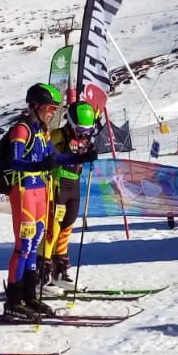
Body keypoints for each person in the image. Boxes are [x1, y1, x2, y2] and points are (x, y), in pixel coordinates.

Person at [1, 84, 96, 319]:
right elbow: (15, 161)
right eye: (49, 108)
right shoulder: (22, 130)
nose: (52, 112)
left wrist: (81, 156)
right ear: (34, 106)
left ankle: (30, 296)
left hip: (41, 191)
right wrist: (37, 166)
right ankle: (13, 301)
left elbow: (55, 157)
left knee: (35, 245)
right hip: (24, 190)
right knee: (23, 246)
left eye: (55, 109)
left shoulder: (42, 131)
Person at [40, 100, 100, 288]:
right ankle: (41, 273)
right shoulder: (59, 135)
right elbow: (50, 155)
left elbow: (84, 151)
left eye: (89, 130)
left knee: (67, 227)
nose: (84, 134)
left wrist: (90, 153)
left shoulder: (85, 139)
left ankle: (60, 271)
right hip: (57, 185)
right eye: (81, 129)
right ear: (72, 123)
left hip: (74, 185)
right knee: (53, 229)